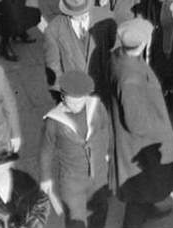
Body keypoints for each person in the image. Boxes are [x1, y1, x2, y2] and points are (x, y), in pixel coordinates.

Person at [109, 17, 173, 227]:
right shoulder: (130, 79)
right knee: (140, 191)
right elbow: (136, 123)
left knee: (147, 187)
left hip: (135, 142)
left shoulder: (119, 57)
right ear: (142, 43)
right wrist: (158, 125)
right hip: (141, 144)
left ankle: (148, 209)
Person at [38, 69, 113, 228]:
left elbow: (106, 128)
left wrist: (107, 153)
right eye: (71, 101)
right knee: (74, 220)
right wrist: (45, 178)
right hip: (72, 181)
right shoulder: (53, 121)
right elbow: (46, 150)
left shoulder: (97, 107)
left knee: (100, 210)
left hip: (98, 175)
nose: (76, 106)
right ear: (63, 97)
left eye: (80, 101)